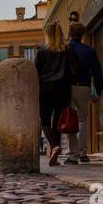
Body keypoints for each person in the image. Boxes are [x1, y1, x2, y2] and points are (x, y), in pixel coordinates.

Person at [34, 23, 74, 167]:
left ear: (48, 34)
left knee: (44, 120)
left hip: (46, 88)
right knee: (57, 121)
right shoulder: (67, 49)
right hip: (62, 89)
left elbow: (35, 72)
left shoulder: (42, 50)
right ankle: (55, 156)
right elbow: (71, 71)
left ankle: (55, 146)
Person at [64, 21, 103, 164]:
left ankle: (73, 155)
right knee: (83, 120)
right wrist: (98, 91)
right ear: (82, 35)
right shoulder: (89, 50)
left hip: (68, 88)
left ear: (69, 34)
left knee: (70, 120)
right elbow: (97, 72)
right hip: (84, 88)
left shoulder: (64, 50)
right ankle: (83, 154)